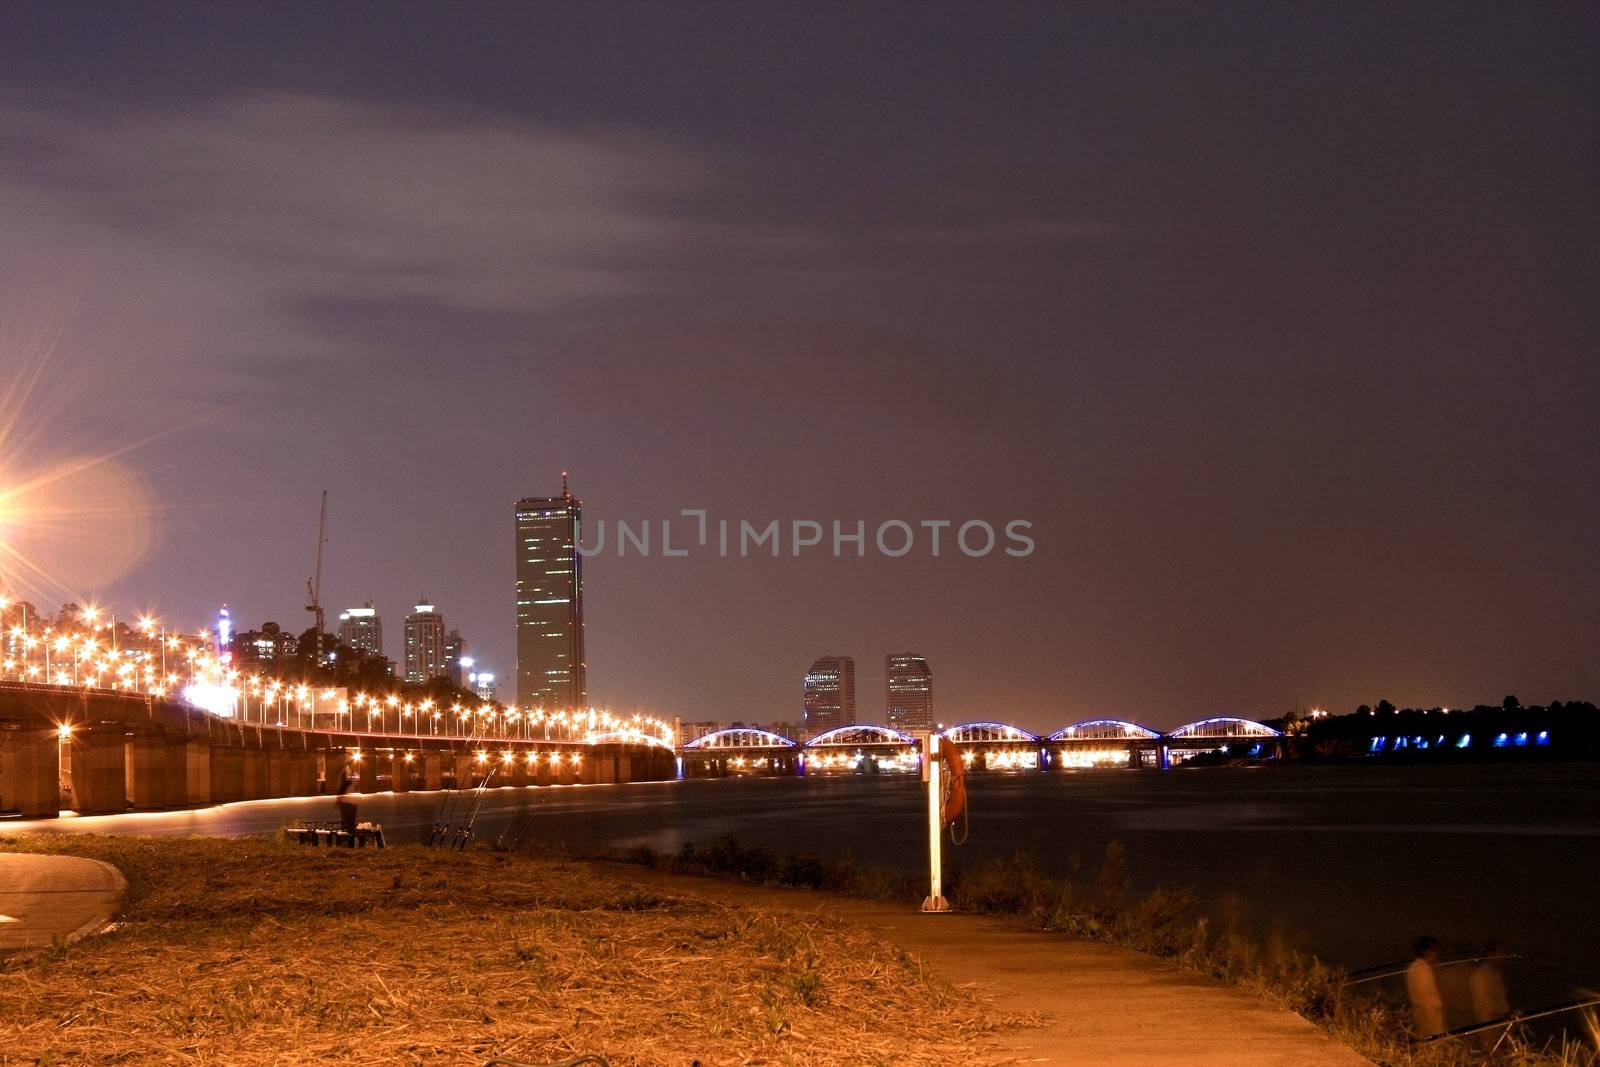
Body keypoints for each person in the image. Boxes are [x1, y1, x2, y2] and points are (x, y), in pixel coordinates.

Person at [1469, 941, 1511, 1052]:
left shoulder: (1496, 974)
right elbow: (1482, 1004)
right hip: (1489, 1025)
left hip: (1500, 1022)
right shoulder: (1480, 976)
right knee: (1491, 1054)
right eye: (1500, 953)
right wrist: (1503, 1012)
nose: (1503, 956)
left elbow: (1501, 998)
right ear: (1490, 955)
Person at [1406, 936, 1446, 1038]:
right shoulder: (1420, 970)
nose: (1436, 954)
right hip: (1429, 1022)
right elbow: (1425, 1000)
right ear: (1425, 951)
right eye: (1433, 950)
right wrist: (1433, 1028)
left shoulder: (1422, 968)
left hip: (1429, 1019)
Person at [334, 772, 359, 837]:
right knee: (350, 822)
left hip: (346, 803)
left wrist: (338, 800)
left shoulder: (346, 775)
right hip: (351, 802)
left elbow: (341, 790)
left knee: (346, 822)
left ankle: (346, 838)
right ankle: (350, 838)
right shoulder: (351, 775)